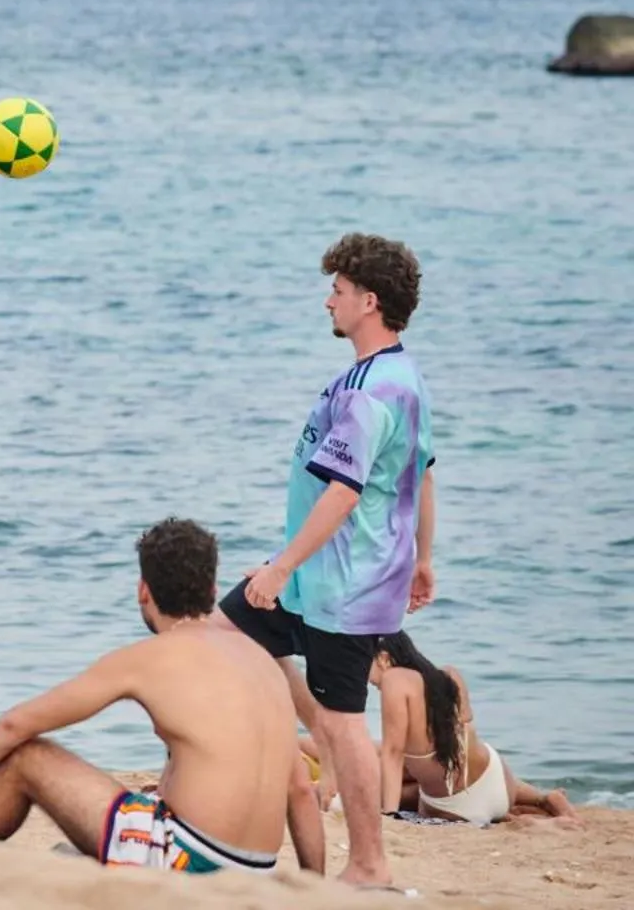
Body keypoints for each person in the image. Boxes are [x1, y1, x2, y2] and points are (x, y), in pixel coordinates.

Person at [0, 518, 325, 877]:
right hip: (257, 873)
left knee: (27, 757)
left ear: (143, 591)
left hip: (188, 861)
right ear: (212, 589)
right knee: (148, 798)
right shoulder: (263, 662)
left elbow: (17, 723)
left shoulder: (149, 658)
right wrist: (311, 888)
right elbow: (301, 792)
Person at [218, 232, 433, 888]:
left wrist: (282, 565)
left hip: (342, 584)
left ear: (369, 301)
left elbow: (344, 492)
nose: (327, 301)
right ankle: (294, 754)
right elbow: (421, 475)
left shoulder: (373, 389)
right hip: (320, 576)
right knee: (217, 636)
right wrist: (425, 558)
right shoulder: (397, 376)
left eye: (337, 291)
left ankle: (370, 864)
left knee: (343, 720)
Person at [368, 632, 580, 827]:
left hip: (458, 808)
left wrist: (389, 815)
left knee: (387, 786)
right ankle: (541, 799)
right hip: (499, 781)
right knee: (432, 770)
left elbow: (393, 754)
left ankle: (530, 822)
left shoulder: (393, 680)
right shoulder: (449, 675)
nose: (366, 678)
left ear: (384, 659)